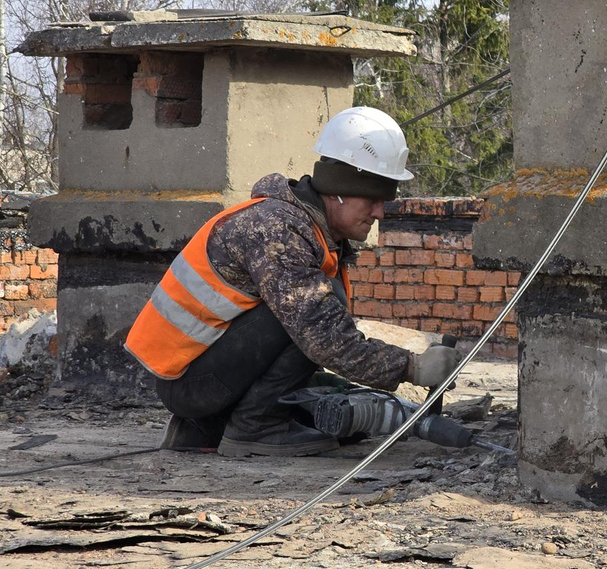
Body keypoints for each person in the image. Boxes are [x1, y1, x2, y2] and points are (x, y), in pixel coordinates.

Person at [124, 106, 462, 457]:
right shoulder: (277, 231)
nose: (379, 213)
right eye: (372, 199)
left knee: (332, 407)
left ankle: (209, 427)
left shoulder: (315, 233)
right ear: (339, 190)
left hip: (201, 373)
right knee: (314, 311)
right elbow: (325, 338)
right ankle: (256, 427)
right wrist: (411, 366)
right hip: (187, 381)